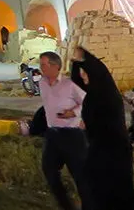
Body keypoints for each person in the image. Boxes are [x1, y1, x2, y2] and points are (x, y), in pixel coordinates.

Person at [70, 47, 134, 210]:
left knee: (117, 192)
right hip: (97, 149)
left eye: (86, 73)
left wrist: (85, 56)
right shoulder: (90, 95)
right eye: (81, 74)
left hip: (114, 150)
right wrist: (74, 64)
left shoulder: (107, 94)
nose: (83, 77)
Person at [37, 50, 93, 210]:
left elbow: (88, 102)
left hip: (72, 135)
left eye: (43, 64)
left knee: (81, 175)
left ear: (55, 66)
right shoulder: (42, 83)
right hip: (53, 135)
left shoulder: (69, 84)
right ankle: (67, 205)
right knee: (49, 170)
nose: (41, 68)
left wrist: (73, 112)